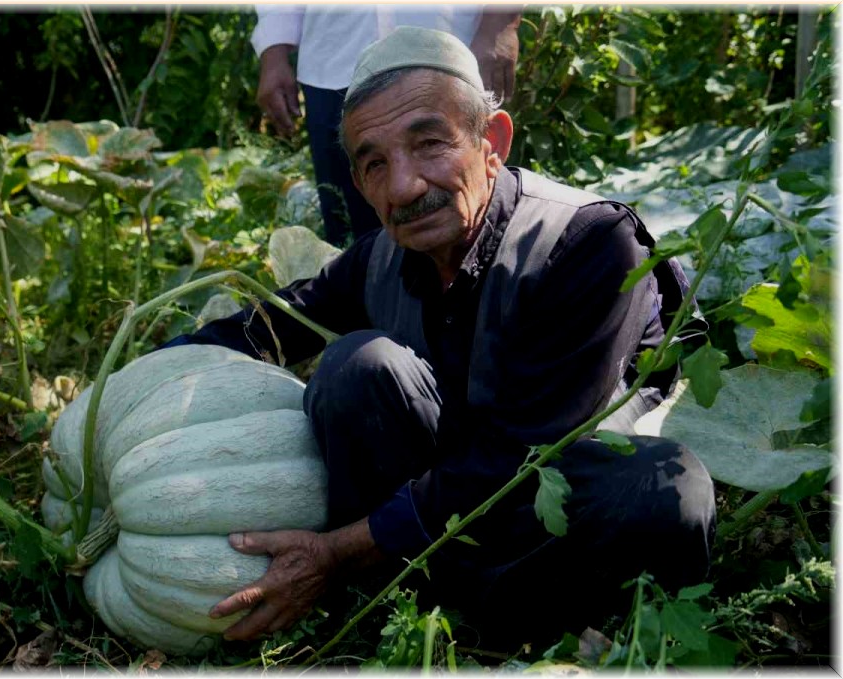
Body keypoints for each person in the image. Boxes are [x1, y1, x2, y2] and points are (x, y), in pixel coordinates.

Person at [168, 27, 716, 646]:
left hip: (548, 503)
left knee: (662, 489)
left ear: (492, 143)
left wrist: (337, 551)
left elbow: (525, 454)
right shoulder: (383, 255)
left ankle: (460, 602)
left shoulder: (587, 243)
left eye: (429, 143)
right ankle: (457, 603)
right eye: (375, 163)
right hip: (443, 509)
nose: (403, 186)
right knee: (356, 365)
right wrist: (142, 379)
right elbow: (270, 328)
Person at [253, 7, 522, 246]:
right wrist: (273, 49)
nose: (404, 188)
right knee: (351, 236)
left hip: (451, 49)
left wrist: (499, 22)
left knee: (480, 225)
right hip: (332, 62)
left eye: (429, 144)